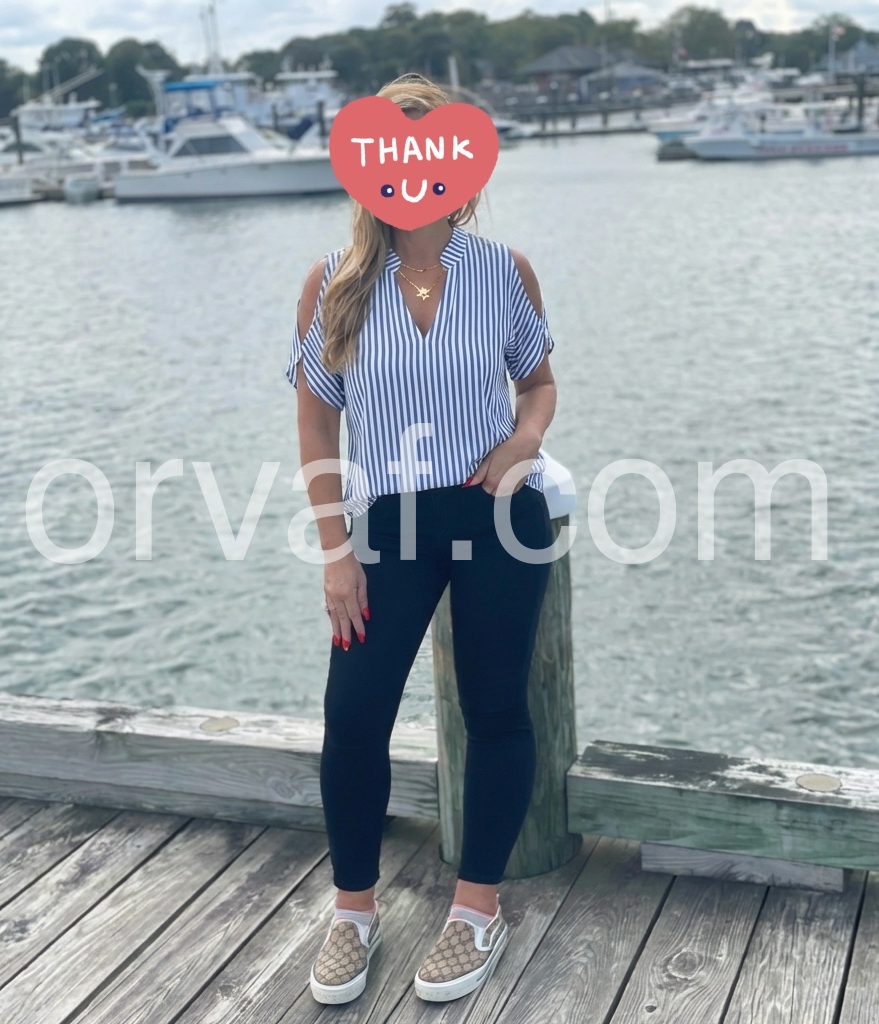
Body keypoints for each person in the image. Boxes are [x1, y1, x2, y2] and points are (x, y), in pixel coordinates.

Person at [285, 72, 557, 1005]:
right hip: (390, 527)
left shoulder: (504, 270)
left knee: (496, 710)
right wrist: (335, 550)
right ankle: (353, 913)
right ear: (366, 168)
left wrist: (524, 443)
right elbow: (317, 426)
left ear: (458, 165)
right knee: (355, 713)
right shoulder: (334, 283)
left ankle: (476, 910)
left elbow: (539, 384)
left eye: (426, 152)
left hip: (498, 517)